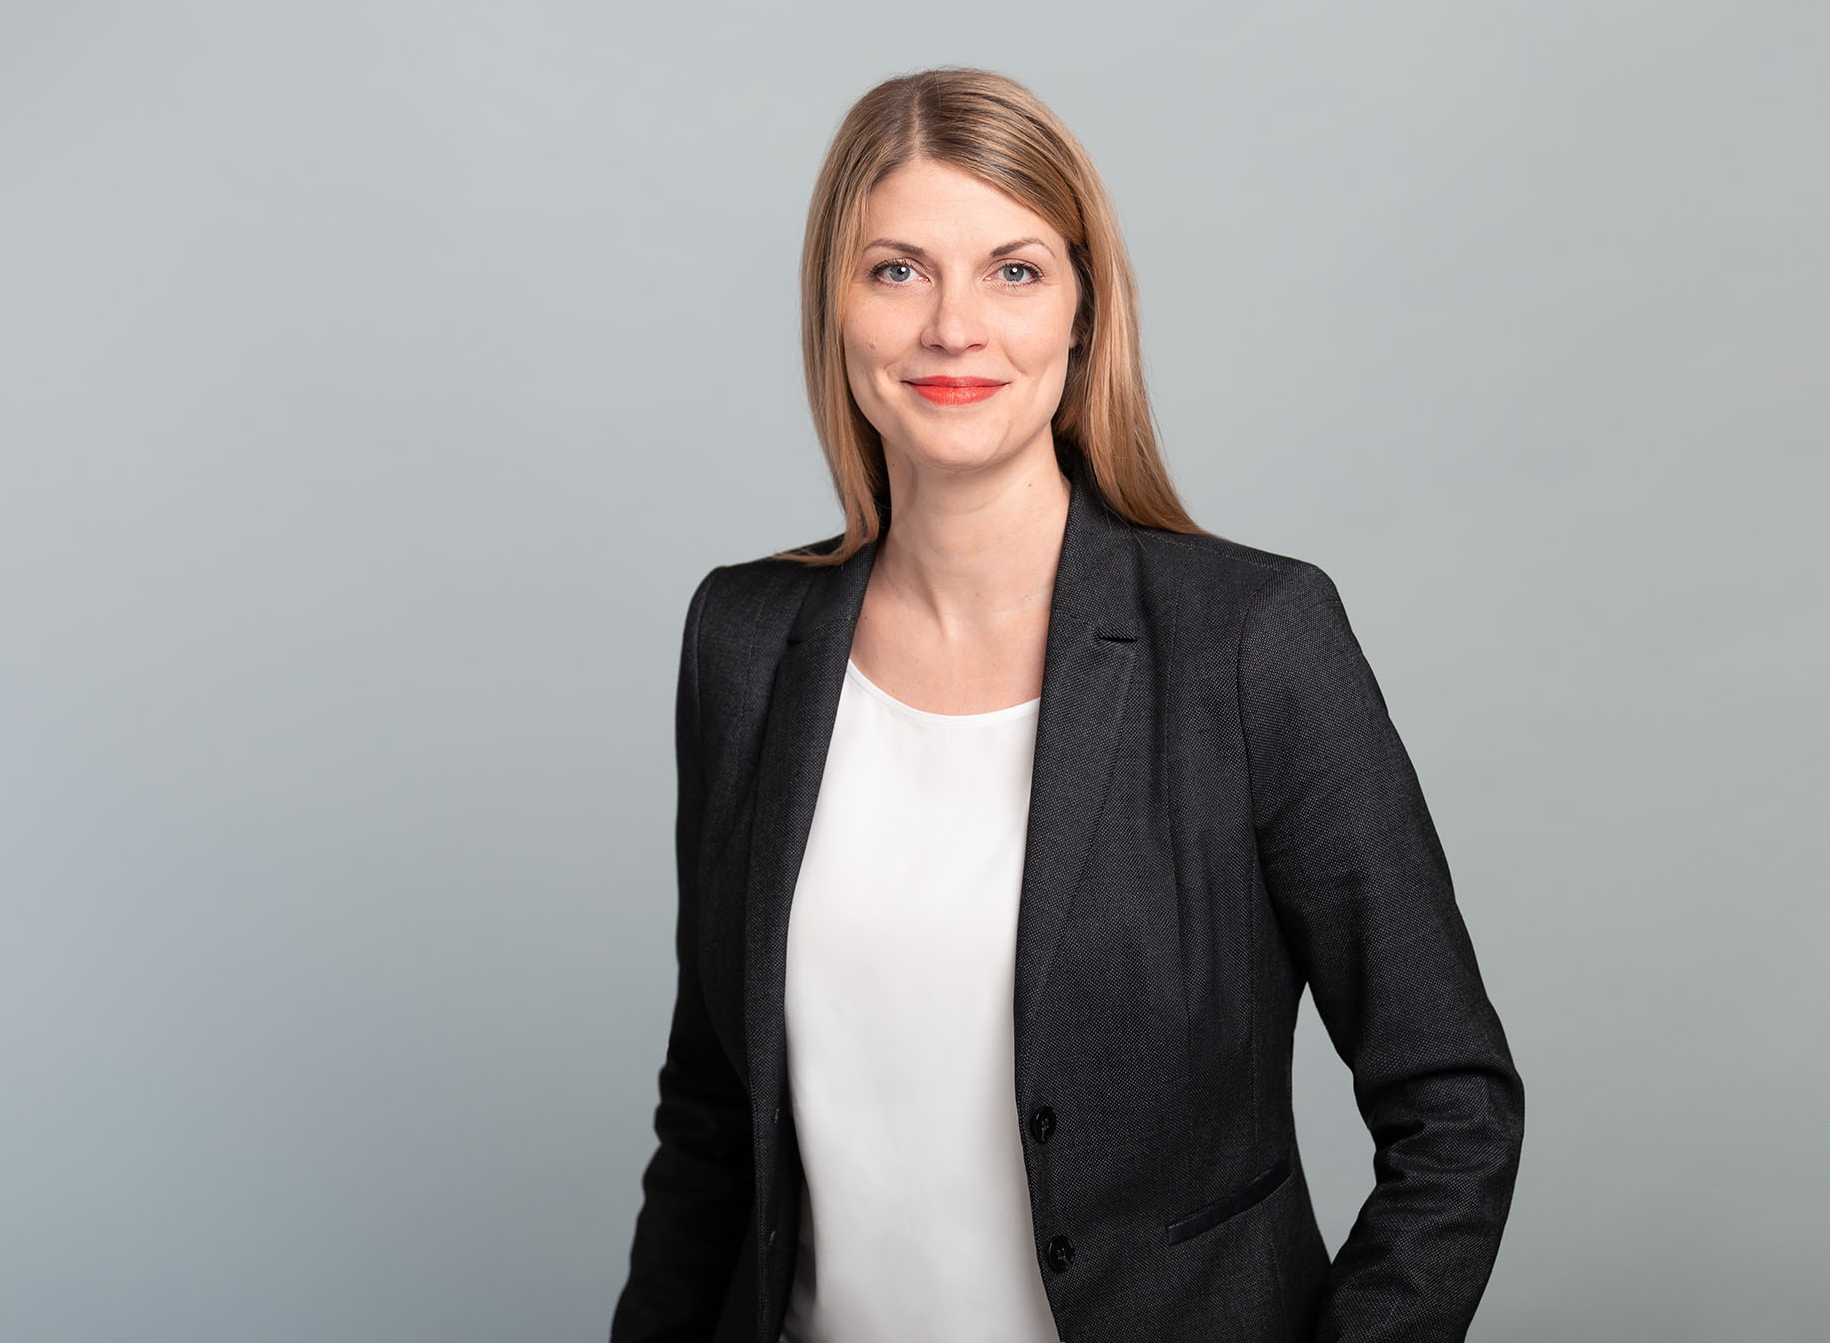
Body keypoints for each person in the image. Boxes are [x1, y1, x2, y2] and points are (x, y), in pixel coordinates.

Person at [610, 66, 1523, 1343]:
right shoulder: (744, 640)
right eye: (896, 270)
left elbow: (1453, 1108)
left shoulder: (1249, 640)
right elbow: (713, 1112)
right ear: (832, 306)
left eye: (1014, 271)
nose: (952, 328)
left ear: (1084, 312)